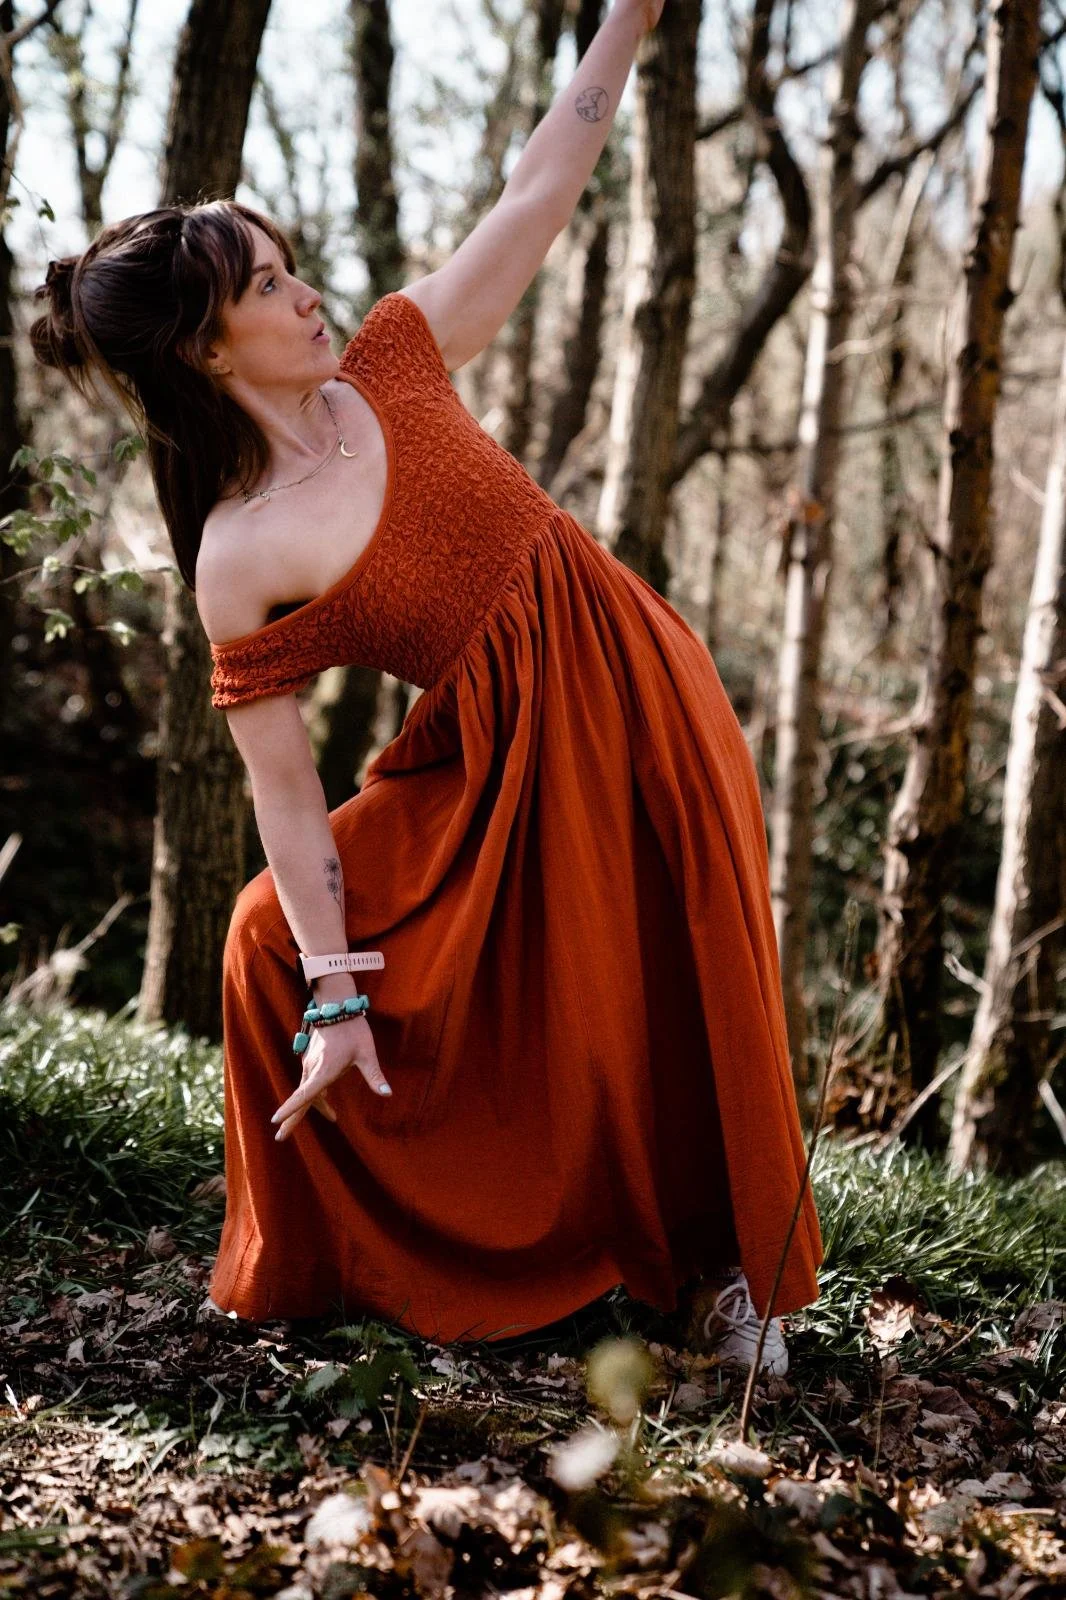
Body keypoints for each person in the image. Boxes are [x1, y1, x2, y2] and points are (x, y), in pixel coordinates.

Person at [31, 0, 823, 1371]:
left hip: (633, 686)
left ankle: (726, 1277)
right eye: (268, 285)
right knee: (266, 937)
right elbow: (286, 796)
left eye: (292, 268)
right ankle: (359, 1260)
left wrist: (627, 20)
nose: (308, 294)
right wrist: (338, 993)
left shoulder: (395, 359)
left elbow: (536, 191)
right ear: (208, 349)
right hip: (490, 760)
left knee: (661, 965)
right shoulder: (240, 552)